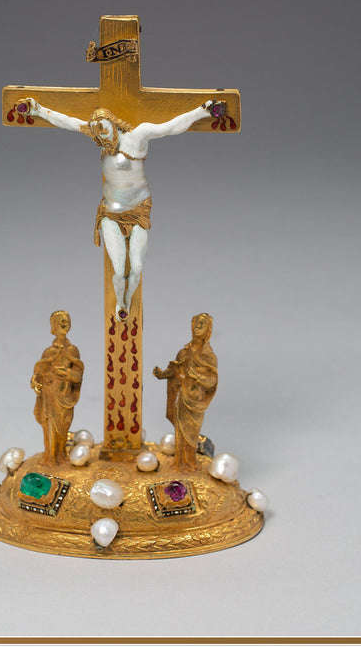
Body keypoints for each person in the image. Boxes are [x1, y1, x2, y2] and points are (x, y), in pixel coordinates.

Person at [22, 97, 221, 318]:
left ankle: (128, 298)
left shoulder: (138, 136)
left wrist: (200, 112)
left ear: (114, 123)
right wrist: (40, 111)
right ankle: (121, 304)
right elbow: (68, 122)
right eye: (98, 134)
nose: (103, 137)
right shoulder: (99, 137)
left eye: (105, 130)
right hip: (110, 212)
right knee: (118, 271)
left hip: (138, 211)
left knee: (136, 267)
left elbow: (170, 127)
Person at [153, 313, 218, 469]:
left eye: (202, 324)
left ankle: (190, 462)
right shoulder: (184, 352)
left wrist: (195, 375)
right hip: (182, 396)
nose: (197, 326)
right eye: (196, 323)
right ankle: (179, 462)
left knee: (191, 433)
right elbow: (175, 370)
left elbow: (212, 381)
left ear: (208, 330)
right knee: (180, 432)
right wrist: (162, 374)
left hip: (196, 399)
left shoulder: (208, 356)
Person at [30, 310, 84, 465]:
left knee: (64, 425)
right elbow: (39, 372)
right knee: (49, 425)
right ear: (54, 326)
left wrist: (66, 373)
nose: (65, 324)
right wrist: (35, 381)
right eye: (61, 322)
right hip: (50, 394)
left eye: (67, 321)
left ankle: (61, 454)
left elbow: (78, 374)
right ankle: (50, 456)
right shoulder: (49, 352)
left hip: (65, 395)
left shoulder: (73, 351)